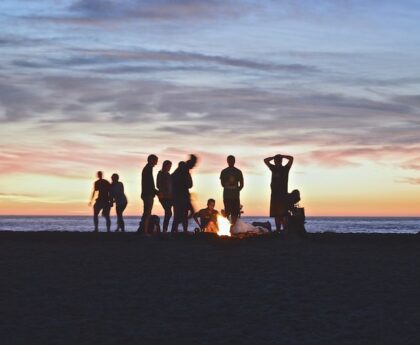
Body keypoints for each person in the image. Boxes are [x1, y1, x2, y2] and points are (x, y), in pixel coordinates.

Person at [264, 154, 294, 231]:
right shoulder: (273, 168)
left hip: (283, 194)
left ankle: (285, 230)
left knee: (284, 214)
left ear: (281, 161)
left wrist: (283, 156)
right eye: (276, 160)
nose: (277, 161)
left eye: (278, 160)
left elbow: (291, 158)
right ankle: (278, 230)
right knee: (276, 214)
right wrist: (273, 157)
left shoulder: (285, 168)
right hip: (274, 195)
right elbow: (265, 160)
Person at [171, 155, 197, 233]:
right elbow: (189, 184)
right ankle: (180, 229)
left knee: (182, 214)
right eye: (194, 164)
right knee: (184, 214)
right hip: (181, 196)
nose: (194, 166)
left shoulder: (179, 171)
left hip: (180, 196)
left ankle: (177, 229)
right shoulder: (183, 170)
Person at [220, 155, 244, 225]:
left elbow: (242, 185)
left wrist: (236, 190)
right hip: (227, 196)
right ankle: (228, 228)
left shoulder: (238, 171)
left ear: (234, 161)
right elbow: (222, 184)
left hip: (234, 196)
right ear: (227, 161)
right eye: (229, 161)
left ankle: (233, 227)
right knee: (228, 212)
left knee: (235, 213)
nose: (231, 162)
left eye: (232, 161)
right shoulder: (224, 171)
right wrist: (234, 188)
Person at [139, 154, 158, 234]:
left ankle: (143, 230)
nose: (156, 163)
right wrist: (156, 192)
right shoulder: (148, 169)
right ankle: (145, 232)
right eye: (155, 161)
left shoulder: (147, 169)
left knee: (146, 213)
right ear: (151, 160)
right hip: (148, 194)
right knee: (147, 213)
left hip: (147, 194)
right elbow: (149, 184)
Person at [157, 160, 173, 232]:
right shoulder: (160, 174)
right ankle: (164, 229)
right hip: (163, 196)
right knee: (168, 212)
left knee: (168, 213)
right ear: (164, 166)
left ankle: (165, 229)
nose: (169, 167)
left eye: (170, 166)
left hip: (170, 197)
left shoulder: (169, 175)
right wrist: (162, 191)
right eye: (168, 166)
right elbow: (158, 185)